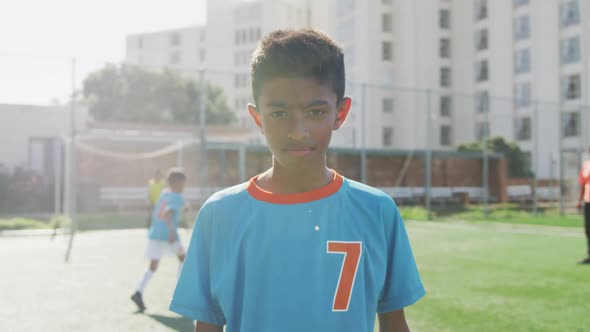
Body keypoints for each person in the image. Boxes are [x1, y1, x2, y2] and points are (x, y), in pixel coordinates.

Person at [170, 29, 425, 331]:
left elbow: (395, 323)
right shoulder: (219, 214)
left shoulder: (377, 210)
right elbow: (207, 326)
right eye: (279, 113)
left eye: (316, 111)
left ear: (340, 113)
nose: (298, 130)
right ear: (257, 118)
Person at [131, 168, 187, 311]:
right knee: (183, 259)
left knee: (153, 266)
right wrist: (171, 233)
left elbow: (165, 209)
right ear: (179, 184)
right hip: (168, 235)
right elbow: (168, 213)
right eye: (183, 184)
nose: (184, 187)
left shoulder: (164, 193)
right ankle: (181, 294)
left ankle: (138, 292)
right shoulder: (178, 197)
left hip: (155, 234)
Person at [576, 146, 590, 264]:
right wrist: (579, 200)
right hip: (587, 201)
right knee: (588, 229)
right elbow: (582, 184)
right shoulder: (586, 165)